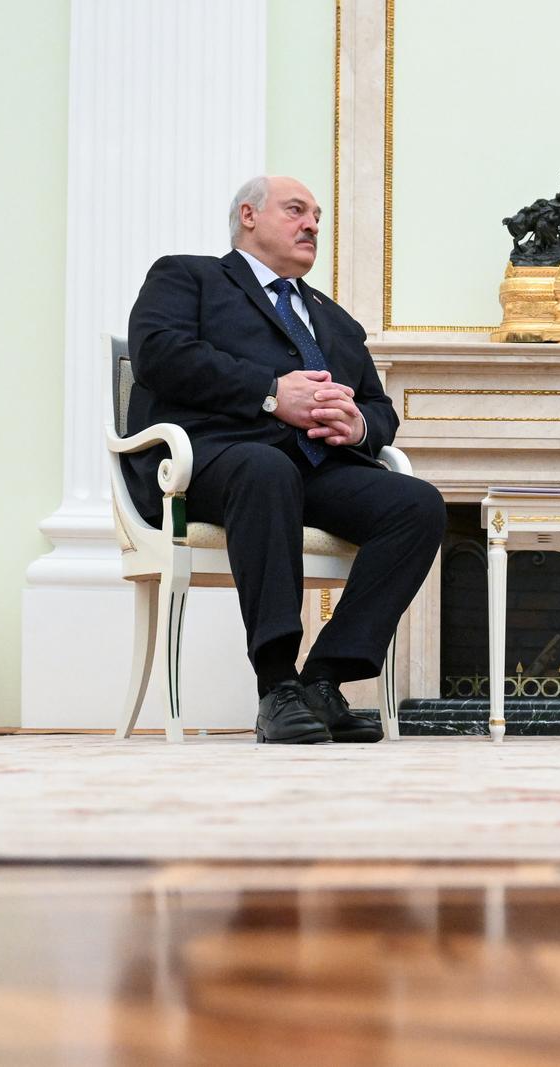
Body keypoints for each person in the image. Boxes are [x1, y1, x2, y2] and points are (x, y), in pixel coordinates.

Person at [124, 175, 445, 744]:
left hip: (317, 467)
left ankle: (323, 680)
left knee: (416, 504)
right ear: (248, 216)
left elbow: (378, 405)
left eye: (317, 216)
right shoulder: (189, 276)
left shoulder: (334, 318)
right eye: (296, 210)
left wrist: (360, 425)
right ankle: (275, 686)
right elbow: (160, 355)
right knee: (265, 469)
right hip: (212, 461)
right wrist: (271, 393)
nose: (312, 225)